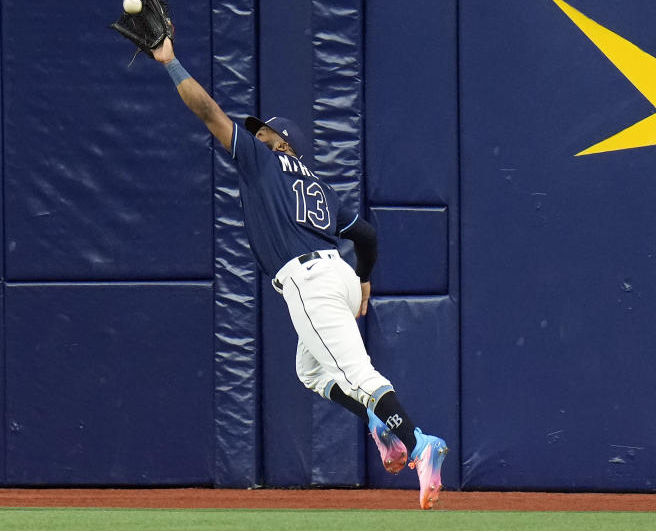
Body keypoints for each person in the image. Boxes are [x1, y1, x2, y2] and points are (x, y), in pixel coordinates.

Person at [150, 33, 447, 509]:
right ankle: (380, 425)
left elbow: (207, 111)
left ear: (283, 142)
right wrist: (364, 280)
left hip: (309, 282)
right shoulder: (321, 188)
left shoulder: (263, 163)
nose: (256, 134)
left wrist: (170, 63)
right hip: (340, 278)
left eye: (264, 131)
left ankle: (418, 444)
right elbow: (365, 236)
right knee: (310, 370)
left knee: (359, 376)